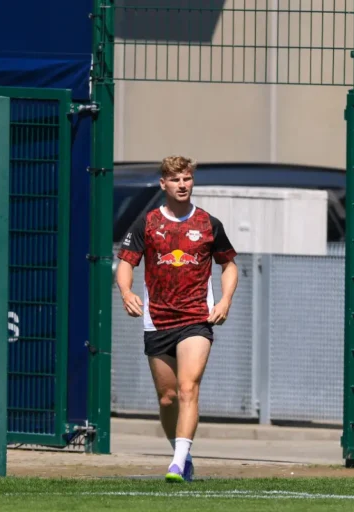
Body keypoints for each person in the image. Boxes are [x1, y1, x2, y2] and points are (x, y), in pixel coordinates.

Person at [115, 155, 239, 483]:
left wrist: (225, 300)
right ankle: (183, 455)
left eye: (187, 179)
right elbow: (126, 261)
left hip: (197, 318)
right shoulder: (148, 223)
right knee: (168, 397)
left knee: (188, 388)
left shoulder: (209, 224)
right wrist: (126, 293)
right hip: (158, 320)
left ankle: (175, 463)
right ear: (163, 184)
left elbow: (229, 264)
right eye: (176, 179)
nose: (182, 185)